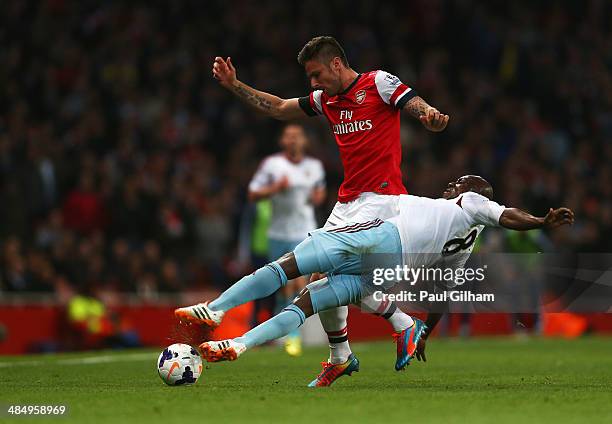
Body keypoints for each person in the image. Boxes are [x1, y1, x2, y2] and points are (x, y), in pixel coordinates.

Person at [207, 35, 449, 385]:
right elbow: (277, 108)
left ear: (336, 63)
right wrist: (233, 85)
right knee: (321, 281)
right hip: (347, 202)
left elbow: (412, 102)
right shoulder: (326, 100)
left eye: (317, 74)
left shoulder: (377, 82)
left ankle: (401, 324)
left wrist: (427, 115)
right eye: (310, 78)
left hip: (381, 202)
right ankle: (343, 354)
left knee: (335, 279)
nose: (313, 83)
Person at [177, 175, 574, 386]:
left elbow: (505, 214)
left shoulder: (471, 204)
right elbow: (443, 297)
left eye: (461, 182)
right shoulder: (461, 249)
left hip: (379, 238)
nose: (453, 186)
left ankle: (215, 310)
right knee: (312, 300)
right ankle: (243, 344)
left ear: (475, 194)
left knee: (289, 267)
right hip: (387, 270)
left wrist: (540, 220)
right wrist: (425, 334)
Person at [248, 123, 326, 355]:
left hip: (304, 231)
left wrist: (317, 197)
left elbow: (320, 194)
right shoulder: (272, 165)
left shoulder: (315, 166)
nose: (293, 140)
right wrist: (275, 188)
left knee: (299, 281)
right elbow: (253, 193)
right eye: (288, 137)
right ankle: (287, 329)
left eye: (297, 137)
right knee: (283, 284)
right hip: (277, 233)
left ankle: (292, 334)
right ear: (283, 141)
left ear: (304, 141)